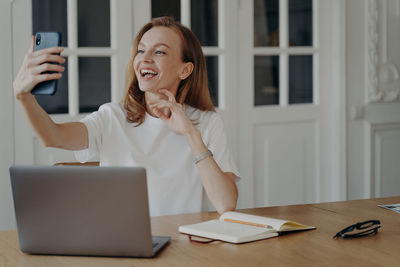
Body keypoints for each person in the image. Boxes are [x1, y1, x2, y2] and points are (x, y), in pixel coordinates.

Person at [13, 16, 239, 216]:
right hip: (122, 244)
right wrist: (24, 96)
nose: (145, 58)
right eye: (141, 50)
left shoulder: (208, 123)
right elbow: (54, 137)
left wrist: (190, 133)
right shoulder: (112, 116)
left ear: (185, 70)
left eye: (159, 51)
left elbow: (226, 204)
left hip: (183, 247)